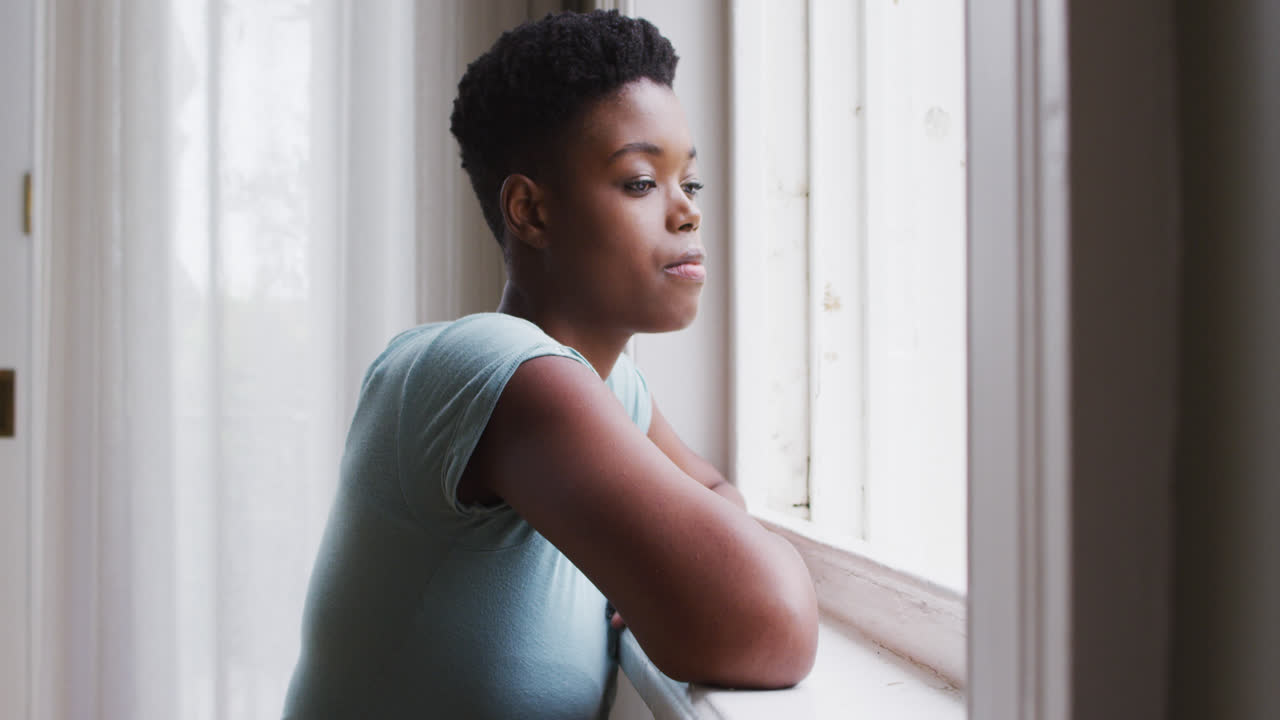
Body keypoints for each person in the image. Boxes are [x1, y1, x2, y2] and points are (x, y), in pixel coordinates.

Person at [282, 10, 817, 719]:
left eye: (691, 181)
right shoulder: (498, 371)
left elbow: (714, 490)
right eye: (639, 182)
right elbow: (770, 625)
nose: (686, 211)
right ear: (530, 212)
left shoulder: (604, 385)